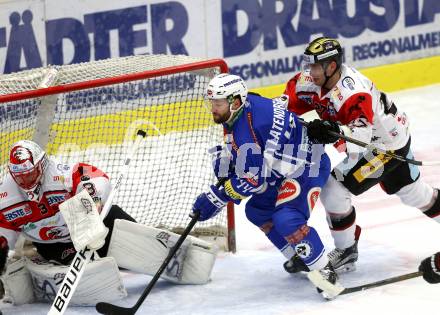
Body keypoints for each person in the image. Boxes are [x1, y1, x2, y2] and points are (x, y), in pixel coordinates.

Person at [283, 37, 440, 273]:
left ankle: (346, 250)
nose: (310, 71)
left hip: (384, 146)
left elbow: (360, 139)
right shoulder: (308, 81)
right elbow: (284, 108)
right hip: (385, 137)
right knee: (414, 193)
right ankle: (346, 247)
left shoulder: (353, 92)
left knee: (334, 188)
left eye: (315, 66)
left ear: (332, 67)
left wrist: (330, 131)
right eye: (309, 65)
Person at [0, 140, 217, 306]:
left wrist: (91, 205)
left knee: (123, 238)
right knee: (95, 265)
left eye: (30, 173)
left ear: (42, 165)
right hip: (57, 245)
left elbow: (96, 177)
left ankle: (183, 258)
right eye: (20, 176)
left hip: (97, 226)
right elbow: (3, 239)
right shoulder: (6, 197)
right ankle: (63, 264)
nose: (25, 181)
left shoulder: (60, 175)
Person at [191, 73, 338, 297]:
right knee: (258, 210)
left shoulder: (245, 130)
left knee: (287, 218)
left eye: (218, 103)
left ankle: (326, 272)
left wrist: (216, 198)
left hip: (308, 164)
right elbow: (255, 157)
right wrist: (232, 162)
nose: (213, 108)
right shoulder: (246, 106)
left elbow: (253, 179)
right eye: (211, 102)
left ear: (235, 102)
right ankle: (300, 256)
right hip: (283, 167)